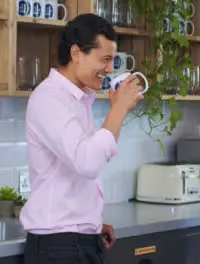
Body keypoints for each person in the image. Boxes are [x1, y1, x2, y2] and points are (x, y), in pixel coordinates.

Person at [20, 13, 143, 264]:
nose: (109, 69)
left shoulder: (79, 99)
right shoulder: (49, 99)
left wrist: (91, 224)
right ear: (76, 53)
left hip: (76, 241)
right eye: (105, 60)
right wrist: (118, 109)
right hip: (58, 248)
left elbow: (87, 160)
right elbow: (87, 162)